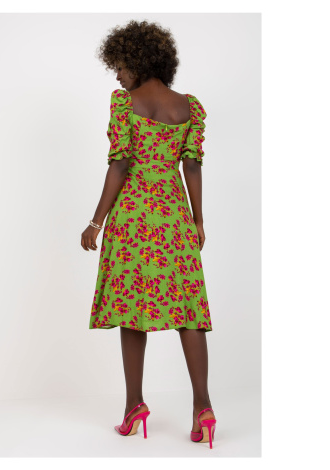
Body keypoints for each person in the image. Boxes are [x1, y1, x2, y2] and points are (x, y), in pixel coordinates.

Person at [81, 20, 216, 448]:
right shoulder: (189, 108)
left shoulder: (126, 105)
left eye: (119, 67)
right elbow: (191, 165)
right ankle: (203, 407)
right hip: (175, 217)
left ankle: (133, 405)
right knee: (189, 310)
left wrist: (96, 221)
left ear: (137, 61)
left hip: (133, 219)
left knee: (130, 307)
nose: (117, 76)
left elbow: (120, 165)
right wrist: (198, 220)